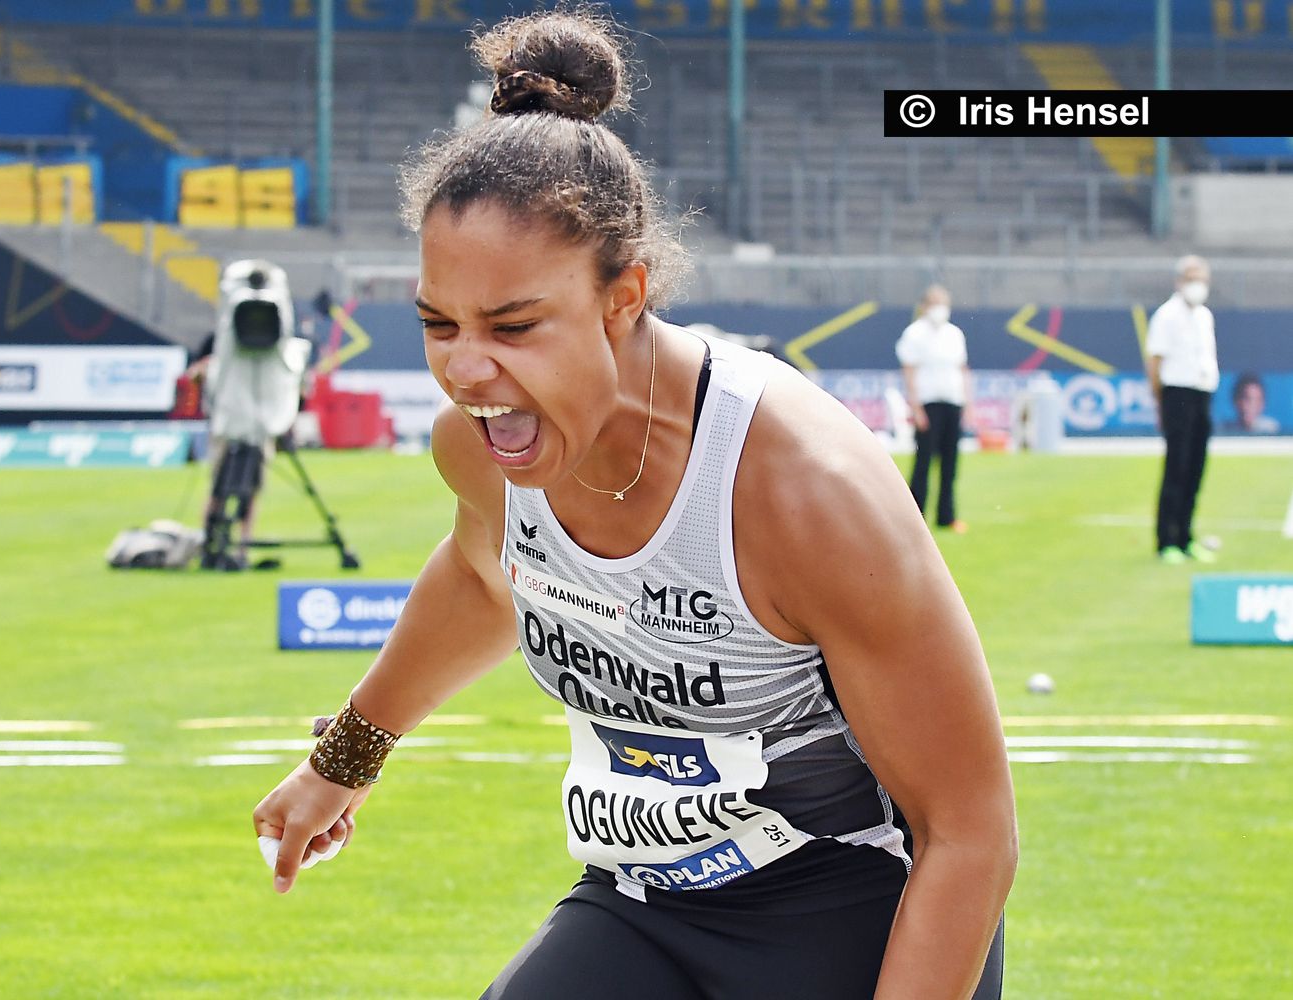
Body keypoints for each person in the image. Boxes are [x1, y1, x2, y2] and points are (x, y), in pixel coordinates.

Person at [253, 11, 1015, 999]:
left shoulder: (802, 492)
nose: (467, 371)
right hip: (646, 901)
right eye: (439, 324)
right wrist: (345, 757)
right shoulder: (484, 445)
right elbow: (487, 582)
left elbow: (969, 834)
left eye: (514, 326)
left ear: (624, 297)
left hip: (857, 907)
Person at [1147, 255, 1219, 564]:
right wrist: (1159, 400)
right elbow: (1155, 360)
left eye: (1201, 278)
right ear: (1179, 281)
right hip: (1177, 393)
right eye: (1191, 278)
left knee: (1195, 467)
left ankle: (1186, 537)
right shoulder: (1167, 315)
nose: (1197, 284)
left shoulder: (1204, 316)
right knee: (1176, 467)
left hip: (1202, 392)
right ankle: (1167, 540)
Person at [896, 285, 973, 533]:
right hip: (928, 402)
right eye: (935, 303)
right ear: (924, 306)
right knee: (923, 462)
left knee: (950, 463)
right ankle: (915, 516)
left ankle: (946, 516)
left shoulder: (954, 334)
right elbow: (909, 371)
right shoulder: (915, 333)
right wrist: (916, 408)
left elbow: (962, 368)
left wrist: (967, 402)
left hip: (952, 400)